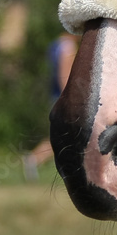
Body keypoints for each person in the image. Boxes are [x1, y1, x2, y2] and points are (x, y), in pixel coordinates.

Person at [23, 32, 78, 180]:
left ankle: (34, 159)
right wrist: (68, 98)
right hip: (62, 96)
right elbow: (64, 75)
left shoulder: (55, 44)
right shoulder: (68, 46)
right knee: (68, 135)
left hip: (54, 95)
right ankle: (34, 159)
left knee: (63, 135)